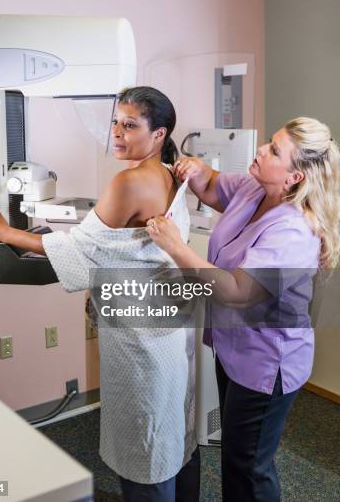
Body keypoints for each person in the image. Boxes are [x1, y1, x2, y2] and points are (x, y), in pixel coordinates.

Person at [0, 86, 200, 502]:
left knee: (142, 435)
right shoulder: (169, 173)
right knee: (169, 426)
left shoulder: (128, 182)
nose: (116, 132)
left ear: (158, 134)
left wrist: (2, 231)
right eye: (115, 121)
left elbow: (79, 249)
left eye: (130, 125)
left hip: (138, 338)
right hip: (166, 328)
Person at [146, 117, 340, 502]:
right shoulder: (256, 188)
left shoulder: (293, 231)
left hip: (268, 362)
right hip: (234, 348)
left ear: (294, 178)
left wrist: (176, 247)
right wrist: (198, 169)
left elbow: (237, 291)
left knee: (248, 466)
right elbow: (215, 186)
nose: (261, 150)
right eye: (269, 142)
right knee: (236, 453)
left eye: (273, 151)